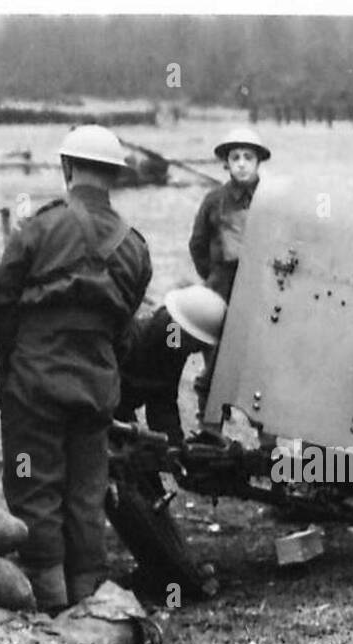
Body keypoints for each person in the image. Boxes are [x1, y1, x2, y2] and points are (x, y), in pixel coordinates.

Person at [0, 125, 152, 611]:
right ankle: (90, 601)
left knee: (35, 485)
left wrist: (11, 358)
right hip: (97, 382)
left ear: (67, 168)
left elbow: (2, 301)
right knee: (86, 493)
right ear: (115, 177)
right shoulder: (134, 246)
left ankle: (49, 604)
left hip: (36, 376)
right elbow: (126, 324)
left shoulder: (38, 227)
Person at [116, 285, 226, 446]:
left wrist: (174, 446)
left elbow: (163, 398)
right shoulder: (136, 339)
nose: (195, 351)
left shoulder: (173, 337)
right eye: (196, 344)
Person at [188, 127, 271, 301]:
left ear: (258, 162)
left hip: (264, 287)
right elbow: (198, 245)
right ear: (227, 163)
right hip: (223, 288)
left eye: (248, 157)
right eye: (235, 158)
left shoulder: (271, 199)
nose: (241, 164)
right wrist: (215, 276)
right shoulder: (214, 200)